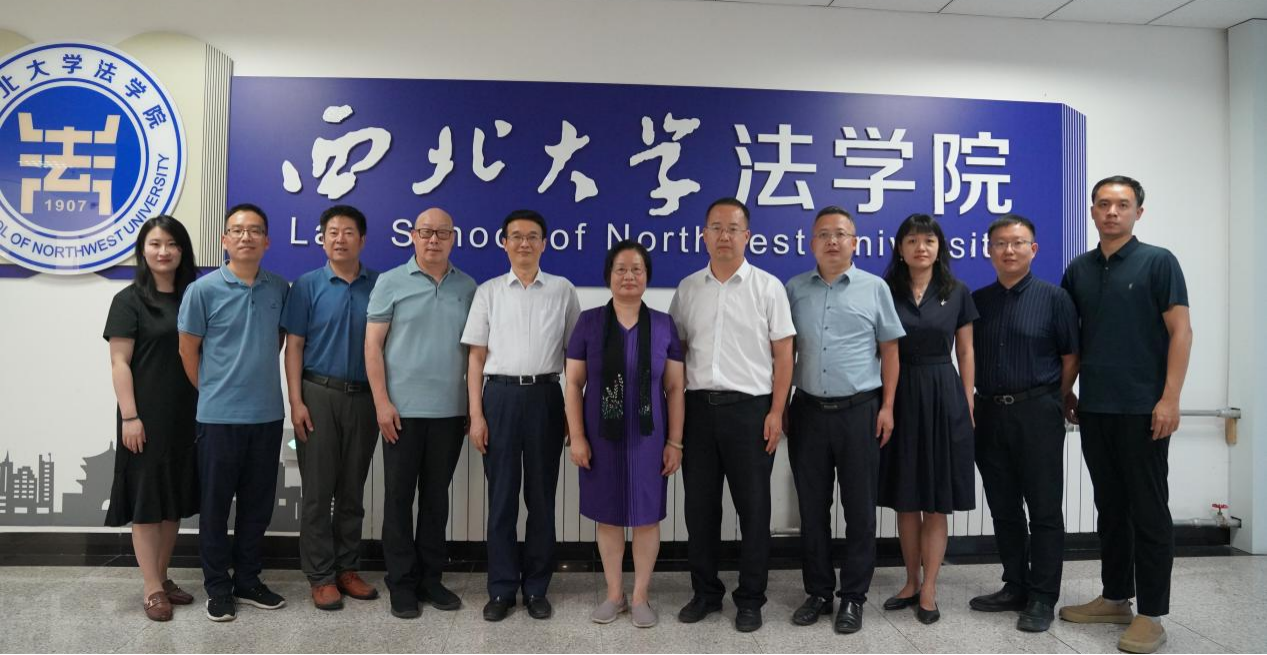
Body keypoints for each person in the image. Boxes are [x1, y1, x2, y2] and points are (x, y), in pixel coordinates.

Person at [1059, 176, 1192, 655]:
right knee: (1111, 508)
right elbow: (1073, 340)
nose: (1112, 212)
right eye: (1103, 204)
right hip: (1096, 409)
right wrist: (1066, 391)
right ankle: (1115, 597)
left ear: (1139, 212)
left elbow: (1181, 331)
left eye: (1122, 204)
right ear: (1092, 211)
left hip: (1144, 410)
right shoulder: (1079, 269)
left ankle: (1151, 615)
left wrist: (1170, 398)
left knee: (1149, 512)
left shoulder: (1158, 261)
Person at [669, 197, 796, 633]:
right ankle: (705, 593)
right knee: (699, 510)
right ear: (703, 235)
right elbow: (677, 354)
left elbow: (784, 355)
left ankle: (751, 598)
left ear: (748, 236)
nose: (724, 236)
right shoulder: (688, 289)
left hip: (751, 412)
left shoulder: (768, 287)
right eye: (716, 227)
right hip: (698, 412)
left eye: (733, 228)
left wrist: (777, 410)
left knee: (754, 510)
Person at [784, 207, 904, 634]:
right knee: (812, 508)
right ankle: (818, 592)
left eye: (840, 234)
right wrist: (781, 405)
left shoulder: (875, 288)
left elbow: (890, 351)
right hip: (807, 412)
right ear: (811, 243)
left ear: (855, 242)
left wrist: (888, 407)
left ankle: (853, 596)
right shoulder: (794, 289)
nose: (832, 241)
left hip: (860, 412)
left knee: (859, 509)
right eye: (823, 234)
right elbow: (785, 353)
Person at [462, 209, 581, 622]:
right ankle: (501, 589)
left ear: (544, 244)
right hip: (499, 398)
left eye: (532, 236)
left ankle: (536, 588)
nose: (524, 243)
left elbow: (574, 360)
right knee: (502, 499)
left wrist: (573, 415)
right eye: (516, 236)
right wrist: (476, 415)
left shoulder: (563, 290)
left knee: (542, 498)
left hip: (547, 397)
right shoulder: (489, 292)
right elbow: (475, 359)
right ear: (504, 243)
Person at [564, 241, 686, 629]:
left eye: (637, 269)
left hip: (650, 439)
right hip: (600, 436)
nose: (629, 276)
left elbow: (675, 388)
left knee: (647, 517)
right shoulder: (589, 322)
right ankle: (614, 594)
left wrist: (675, 441)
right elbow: (573, 384)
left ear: (647, 277)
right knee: (609, 516)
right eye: (621, 269)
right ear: (608, 276)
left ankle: (640, 597)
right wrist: (577, 436)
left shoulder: (664, 325)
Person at [178, 203, 290, 622]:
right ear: (224, 240)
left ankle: (248, 580)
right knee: (215, 507)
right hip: (218, 418)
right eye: (238, 230)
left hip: (266, 415)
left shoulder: (279, 288)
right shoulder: (202, 290)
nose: (246, 237)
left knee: (257, 507)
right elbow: (188, 350)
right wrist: (212, 390)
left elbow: (278, 341)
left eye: (255, 230)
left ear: (267, 241)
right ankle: (217, 587)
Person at [969, 213, 1079, 633]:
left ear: (1033, 249)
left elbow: (1071, 355)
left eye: (1017, 243)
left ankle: (1043, 596)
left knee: (1044, 509)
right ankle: (1015, 585)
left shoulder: (1055, 298)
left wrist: (1055, 397)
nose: (1009, 250)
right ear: (989, 250)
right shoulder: (978, 301)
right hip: (989, 412)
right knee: (1004, 507)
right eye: (1000, 243)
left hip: (1038, 412)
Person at [366, 208, 477, 619]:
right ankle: (401, 583)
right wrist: (381, 402)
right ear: (412, 236)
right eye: (426, 232)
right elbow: (373, 346)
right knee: (398, 499)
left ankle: (431, 579)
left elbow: (476, 353)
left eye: (442, 233)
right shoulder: (390, 282)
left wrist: (473, 405)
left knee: (435, 500)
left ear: (453, 238)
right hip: (401, 413)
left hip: (449, 412)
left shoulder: (468, 287)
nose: (433, 240)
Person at [877, 213, 977, 625]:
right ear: (900, 249)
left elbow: (966, 351)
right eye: (912, 241)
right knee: (906, 499)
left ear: (939, 248)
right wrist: (884, 404)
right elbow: (881, 349)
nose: (921, 247)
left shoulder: (957, 291)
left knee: (935, 502)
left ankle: (930, 588)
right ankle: (910, 581)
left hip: (942, 393)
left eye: (929, 241)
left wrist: (967, 402)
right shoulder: (885, 290)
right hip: (899, 394)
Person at [281, 205, 380, 611]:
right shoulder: (306, 286)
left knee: (353, 490)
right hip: (318, 394)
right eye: (332, 232)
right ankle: (320, 576)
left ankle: (347, 568)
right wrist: (296, 402)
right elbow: (294, 347)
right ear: (322, 239)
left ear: (362, 239)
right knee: (318, 493)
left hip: (366, 398)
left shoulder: (379, 285)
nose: (340, 239)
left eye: (348, 232)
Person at [104, 215, 201, 622]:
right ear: (143, 250)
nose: (164, 252)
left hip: (187, 414)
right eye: (156, 244)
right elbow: (119, 362)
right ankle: (150, 589)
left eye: (172, 244)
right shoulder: (129, 300)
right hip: (144, 416)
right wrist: (130, 416)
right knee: (147, 502)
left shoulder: (194, 297)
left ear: (183, 251)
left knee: (172, 501)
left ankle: (161, 576)